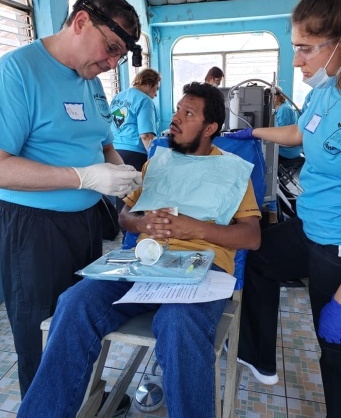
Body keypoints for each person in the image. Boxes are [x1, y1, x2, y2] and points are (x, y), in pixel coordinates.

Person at [17, 82, 261, 418]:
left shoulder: (233, 171)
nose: (175, 118)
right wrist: (141, 224)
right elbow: (126, 216)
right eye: (177, 109)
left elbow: (251, 237)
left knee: (178, 323)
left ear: (210, 128)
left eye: (187, 114)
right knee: (74, 303)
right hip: (146, 263)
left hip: (203, 268)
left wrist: (196, 228)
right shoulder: (156, 163)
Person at [0, 0, 143, 398]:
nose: (111, 62)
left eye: (119, 55)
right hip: (34, 230)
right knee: (41, 332)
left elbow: (104, 143)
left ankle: (87, 399)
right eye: (110, 48)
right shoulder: (18, 72)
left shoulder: (91, 80)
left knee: (82, 320)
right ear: (80, 22)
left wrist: (120, 172)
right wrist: (82, 178)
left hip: (84, 224)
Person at [227, 0, 341, 418]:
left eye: (306, 48)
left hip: (336, 247)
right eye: (294, 47)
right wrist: (250, 131)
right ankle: (257, 354)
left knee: (332, 348)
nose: (297, 61)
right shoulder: (326, 94)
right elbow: (297, 131)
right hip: (310, 228)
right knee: (259, 253)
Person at [110, 68, 161, 234]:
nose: (155, 94)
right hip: (135, 154)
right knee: (135, 200)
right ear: (148, 84)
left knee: (122, 198)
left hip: (113, 152)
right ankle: (135, 241)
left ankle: (126, 238)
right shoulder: (144, 100)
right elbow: (146, 135)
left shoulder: (118, 97)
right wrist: (155, 160)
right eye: (156, 89)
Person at [273, 89, 302, 160]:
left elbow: (282, 133)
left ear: (275, 98)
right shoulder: (280, 108)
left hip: (287, 151)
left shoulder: (284, 109)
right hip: (285, 147)